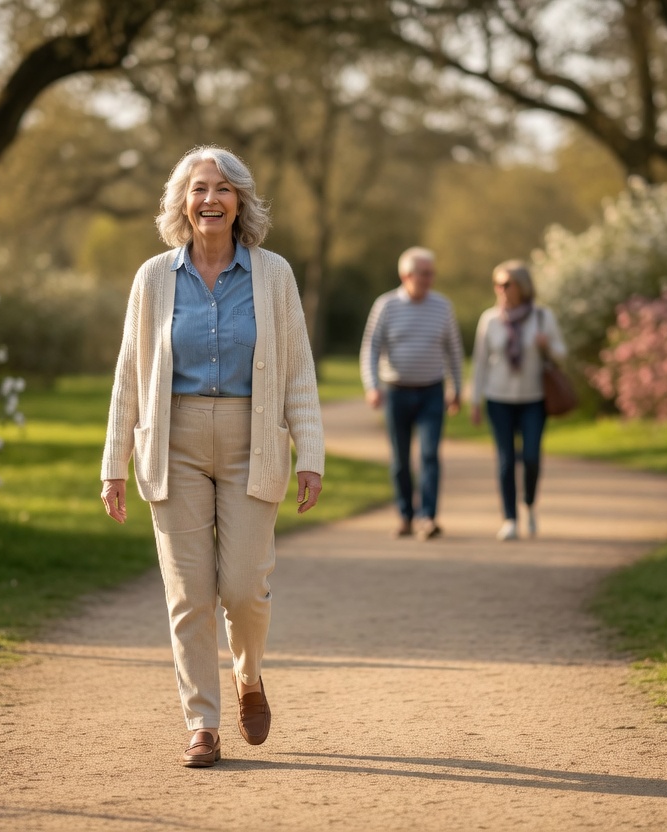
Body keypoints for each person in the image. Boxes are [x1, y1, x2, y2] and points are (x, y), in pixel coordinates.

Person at [99, 145, 324, 769]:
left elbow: (299, 370)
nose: (210, 199)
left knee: (245, 587)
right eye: (199, 188)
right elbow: (129, 375)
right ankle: (202, 723)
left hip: (254, 438)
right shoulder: (153, 278)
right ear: (181, 202)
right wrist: (113, 463)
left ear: (241, 202)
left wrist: (311, 453)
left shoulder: (273, 275)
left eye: (223, 189)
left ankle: (248, 677)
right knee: (189, 594)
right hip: (175, 442)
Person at [360, 246, 464, 541]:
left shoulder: (443, 306)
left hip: (432, 390)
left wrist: (456, 388)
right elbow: (370, 347)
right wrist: (372, 386)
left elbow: (454, 351)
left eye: (432, 273)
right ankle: (405, 515)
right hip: (396, 392)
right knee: (400, 459)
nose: (430, 279)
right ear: (406, 275)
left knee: (430, 454)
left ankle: (427, 517)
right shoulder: (386, 305)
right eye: (424, 273)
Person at [469, 259, 567, 540]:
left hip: (533, 399)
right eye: (497, 284)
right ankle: (510, 519)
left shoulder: (542, 317)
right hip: (498, 398)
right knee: (505, 459)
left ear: (522, 287)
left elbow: (562, 354)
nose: (500, 289)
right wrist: (475, 401)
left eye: (506, 284)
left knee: (532, 456)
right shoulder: (489, 319)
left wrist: (547, 346)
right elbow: (480, 364)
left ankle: (530, 504)